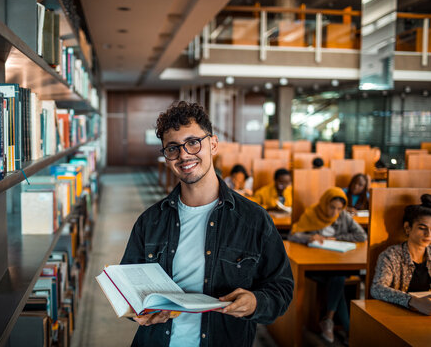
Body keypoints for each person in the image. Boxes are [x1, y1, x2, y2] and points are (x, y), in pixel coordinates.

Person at [120, 101, 293, 347]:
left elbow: (281, 289)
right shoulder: (150, 221)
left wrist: (255, 302)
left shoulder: (254, 220)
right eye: (172, 148)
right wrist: (138, 311)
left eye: (193, 142)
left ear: (213, 144)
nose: (183, 155)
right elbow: (128, 290)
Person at [288, 187, 367, 343]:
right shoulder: (312, 213)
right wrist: (309, 237)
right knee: (338, 280)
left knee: (337, 278)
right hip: (314, 267)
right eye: (332, 207)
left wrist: (337, 238)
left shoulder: (343, 216)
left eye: (339, 208)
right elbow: (293, 235)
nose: (335, 212)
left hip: (337, 262)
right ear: (325, 203)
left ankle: (329, 320)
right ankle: (350, 332)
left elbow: (361, 235)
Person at [370, 194, 431, 315]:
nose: (428, 234)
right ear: (407, 228)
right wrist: (413, 301)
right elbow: (377, 289)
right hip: (397, 315)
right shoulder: (391, 255)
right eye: (422, 228)